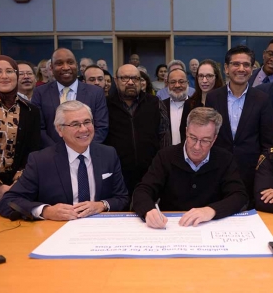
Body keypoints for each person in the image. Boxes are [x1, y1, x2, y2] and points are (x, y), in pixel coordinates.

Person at [0, 101, 129, 220]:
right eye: (75, 124)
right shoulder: (41, 160)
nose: (84, 129)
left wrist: (102, 205)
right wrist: (46, 211)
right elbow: (8, 201)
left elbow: (122, 198)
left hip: (98, 228)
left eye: (87, 122)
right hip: (56, 230)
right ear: (60, 130)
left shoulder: (108, 154)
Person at [132, 107, 248, 228]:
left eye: (205, 140)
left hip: (210, 226)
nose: (197, 147)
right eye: (192, 138)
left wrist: (211, 210)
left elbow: (239, 196)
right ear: (186, 132)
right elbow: (142, 190)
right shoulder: (166, 156)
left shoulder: (225, 159)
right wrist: (148, 211)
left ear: (214, 139)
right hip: (171, 226)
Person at [205, 45, 273, 207]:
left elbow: (267, 141)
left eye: (246, 65)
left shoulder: (262, 99)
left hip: (251, 172)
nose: (241, 69)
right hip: (218, 170)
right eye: (236, 64)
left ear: (251, 69)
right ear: (227, 69)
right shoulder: (213, 97)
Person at [104, 64, 171, 204]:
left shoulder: (155, 103)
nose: (130, 82)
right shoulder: (106, 105)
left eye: (135, 78)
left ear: (141, 81)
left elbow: (164, 136)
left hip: (150, 172)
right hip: (117, 175)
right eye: (125, 78)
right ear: (116, 81)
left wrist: (162, 167)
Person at [0, 55, 40, 212]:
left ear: (16, 75)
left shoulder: (31, 111)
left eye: (9, 71)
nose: (4, 76)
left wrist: (15, 186)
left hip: (20, 189)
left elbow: (33, 151)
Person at [32, 48, 108, 148]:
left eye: (70, 62)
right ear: (51, 67)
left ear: (76, 65)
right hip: (52, 156)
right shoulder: (40, 93)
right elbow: (38, 129)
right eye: (59, 63)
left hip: (87, 155)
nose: (66, 67)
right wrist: (58, 152)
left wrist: (82, 149)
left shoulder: (95, 93)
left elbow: (101, 127)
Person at [179, 59, 224, 142]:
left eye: (209, 76)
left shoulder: (225, 102)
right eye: (200, 76)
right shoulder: (190, 103)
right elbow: (183, 132)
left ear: (216, 77)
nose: (204, 81)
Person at [163, 68, 189, 145]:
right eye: (173, 82)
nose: (177, 85)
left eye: (181, 82)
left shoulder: (196, 106)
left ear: (187, 83)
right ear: (167, 84)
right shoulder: (160, 106)